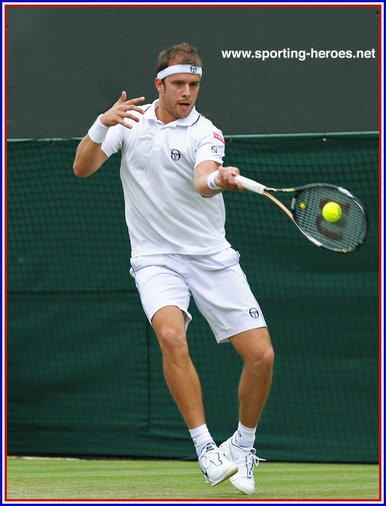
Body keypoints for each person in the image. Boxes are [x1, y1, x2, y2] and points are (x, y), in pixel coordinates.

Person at [73, 42, 274, 496]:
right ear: (159, 84)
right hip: (154, 257)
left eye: (194, 85)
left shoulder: (207, 132)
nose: (187, 93)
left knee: (261, 357)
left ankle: (243, 446)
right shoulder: (129, 123)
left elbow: (204, 179)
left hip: (210, 256)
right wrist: (101, 124)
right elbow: (82, 168)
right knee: (169, 334)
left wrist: (217, 179)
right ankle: (206, 449)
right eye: (179, 84)